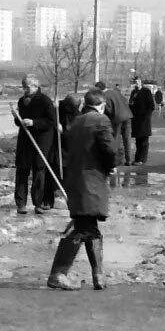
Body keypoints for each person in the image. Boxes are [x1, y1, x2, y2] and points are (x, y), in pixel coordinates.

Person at [46, 89, 118, 291]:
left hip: (75, 179)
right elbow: (109, 149)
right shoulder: (100, 120)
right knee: (83, 227)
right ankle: (58, 274)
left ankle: (98, 276)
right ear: (102, 105)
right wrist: (111, 165)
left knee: (87, 224)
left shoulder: (76, 122)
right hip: (92, 180)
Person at [12, 74, 57, 214]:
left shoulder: (45, 101)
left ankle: (38, 202)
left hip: (41, 140)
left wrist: (34, 123)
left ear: (36, 86)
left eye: (27, 86)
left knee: (39, 171)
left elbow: (51, 121)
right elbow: (19, 122)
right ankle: (21, 204)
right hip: (25, 140)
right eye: (23, 86)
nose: (25, 89)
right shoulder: (21, 101)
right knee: (22, 170)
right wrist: (17, 118)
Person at [94, 80, 131, 167]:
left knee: (116, 139)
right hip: (127, 115)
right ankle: (128, 160)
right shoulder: (115, 91)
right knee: (127, 138)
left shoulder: (103, 96)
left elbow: (108, 110)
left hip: (117, 118)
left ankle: (116, 160)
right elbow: (125, 101)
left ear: (99, 89)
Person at [127, 76, 156, 165]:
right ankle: (137, 159)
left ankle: (142, 159)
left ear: (141, 82)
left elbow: (151, 106)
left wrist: (146, 115)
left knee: (143, 140)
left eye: (137, 81)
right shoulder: (133, 92)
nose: (136, 83)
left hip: (144, 120)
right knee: (138, 140)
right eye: (135, 82)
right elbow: (131, 103)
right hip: (135, 119)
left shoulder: (146, 92)